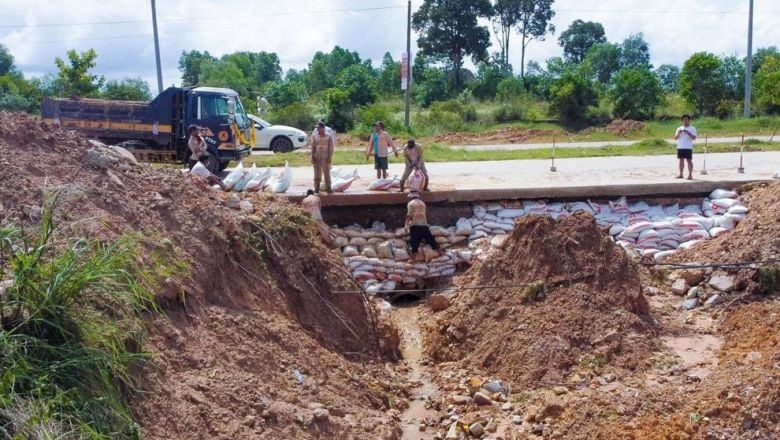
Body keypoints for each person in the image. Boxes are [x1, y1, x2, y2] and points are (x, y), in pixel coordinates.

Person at [405, 191, 442, 262]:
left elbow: (409, 215)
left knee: (414, 244)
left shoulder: (410, 203)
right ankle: (441, 253)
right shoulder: (422, 203)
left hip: (415, 226)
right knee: (432, 241)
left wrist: (406, 225)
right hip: (424, 225)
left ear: (411, 197)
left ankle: (412, 259)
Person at [309, 121, 335, 193]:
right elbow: (313, 147)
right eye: (317, 128)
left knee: (327, 173)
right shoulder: (315, 136)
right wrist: (312, 156)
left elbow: (331, 148)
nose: (318, 129)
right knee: (317, 173)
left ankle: (328, 188)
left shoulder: (328, 136)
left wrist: (330, 157)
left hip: (326, 157)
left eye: (319, 128)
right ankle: (316, 188)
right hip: (317, 156)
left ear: (323, 128)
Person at [674, 114, 697, 180]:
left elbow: (694, 138)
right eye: (684, 119)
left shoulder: (692, 128)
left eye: (687, 119)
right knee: (681, 161)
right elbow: (675, 138)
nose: (685, 121)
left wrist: (688, 133)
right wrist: (679, 133)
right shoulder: (679, 128)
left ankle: (690, 175)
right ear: (682, 120)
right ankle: (681, 174)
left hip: (688, 147)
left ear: (689, 120)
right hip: (680, 146)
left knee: (689, 161)